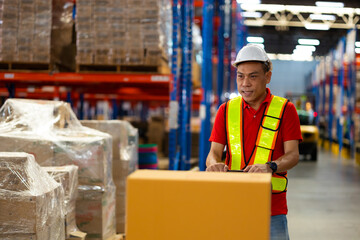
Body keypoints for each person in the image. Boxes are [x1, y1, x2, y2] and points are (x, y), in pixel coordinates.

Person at [206, 44, 302, 240]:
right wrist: (213, 164)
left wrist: (270, 166)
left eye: (253, 76)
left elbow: (293, 155)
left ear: (267, 77)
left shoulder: (286, 110)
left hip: (271, 208)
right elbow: (213, 152)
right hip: (232, 204)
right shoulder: (225, 110)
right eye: (240, 76)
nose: (245, 83)